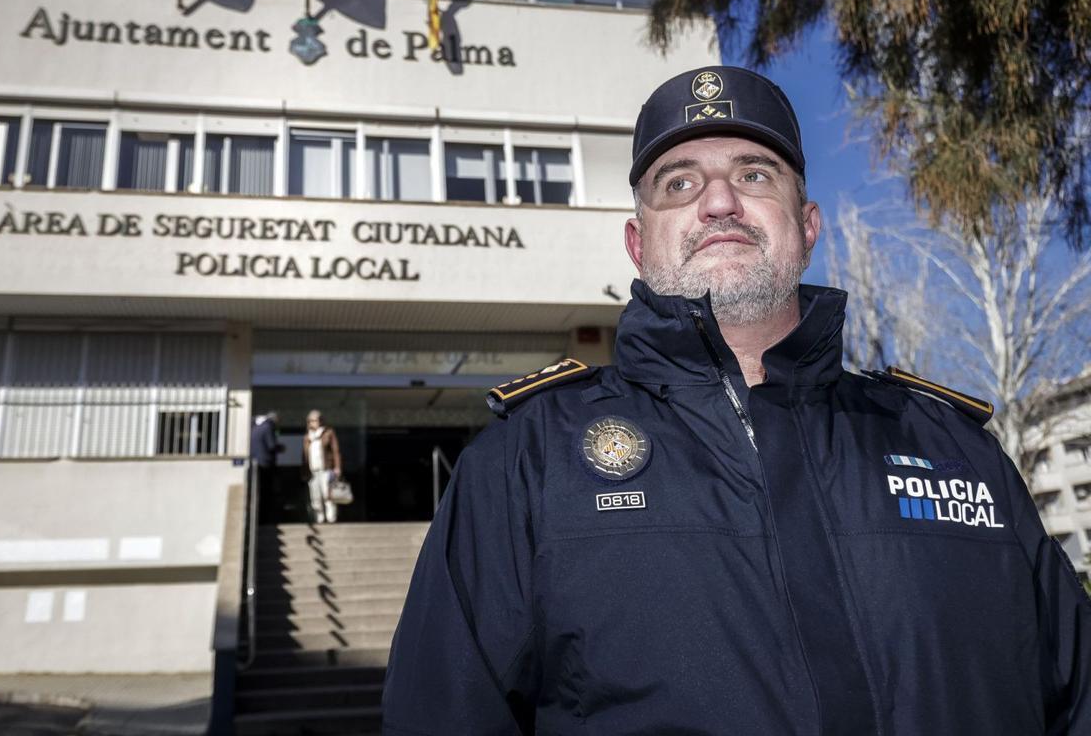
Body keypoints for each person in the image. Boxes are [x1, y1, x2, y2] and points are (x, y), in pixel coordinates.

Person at [383, 66, 1091, 735]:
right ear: (638, 242)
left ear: (807, 227)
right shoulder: (523, 461)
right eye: (679, 182)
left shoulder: (957, 448)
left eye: (754, 174)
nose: (718, 202)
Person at [302, 409, 343, 524]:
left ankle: (331, 518)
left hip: (326, 469)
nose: (315, 422)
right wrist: (304, 472)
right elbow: (304, 456)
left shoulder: (328, 433)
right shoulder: (307, 437)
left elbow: (336, 451)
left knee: (328, 494)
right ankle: (319, 517)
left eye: (317, 420)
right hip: (312, 471)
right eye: (312, 421)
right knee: (315, 496)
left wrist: (337, 467)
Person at [249, 410, 283, 522]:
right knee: (267, 493)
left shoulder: (256, 427)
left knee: (259, 491)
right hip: (266, 464)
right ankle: (266, 519)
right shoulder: (269, 427)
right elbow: (271, 445)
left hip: (256, 463)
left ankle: (260, 519)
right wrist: (281, 448)